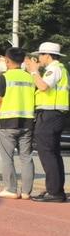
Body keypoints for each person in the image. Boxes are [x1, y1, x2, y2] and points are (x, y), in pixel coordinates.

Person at [0, 46, 36, 199]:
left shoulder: (4, 78)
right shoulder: (30, 77)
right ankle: (27, 192)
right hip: (27, 122)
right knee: (26, 157)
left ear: (7, 60)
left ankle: (11, 189)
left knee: (6, 157)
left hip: (7, 123)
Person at [28, 41, 68, 202]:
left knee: (47, 154)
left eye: (41, 55)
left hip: (50, 115)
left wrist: (33, 72)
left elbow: (43, 87)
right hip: (56, 115)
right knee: (53, 154)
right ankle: (56, 189)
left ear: (48, 55)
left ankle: (55, 192)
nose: (39, 58)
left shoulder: (54, 69)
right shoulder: (61, 69)